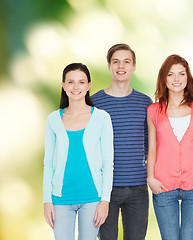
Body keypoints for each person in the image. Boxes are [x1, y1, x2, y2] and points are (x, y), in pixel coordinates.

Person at [43, 63, 114, 240]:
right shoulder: (53, 119)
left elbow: (108, 162)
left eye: (81, 82)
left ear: (88, 85)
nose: (76, 87)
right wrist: (47, 200)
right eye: (71, 82)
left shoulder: (102, 118)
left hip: (92, 197)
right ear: (63, 85)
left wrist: (105, 200)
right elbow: (48, 163)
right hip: (60, 198)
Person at [146, 54, 193, 240]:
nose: (176, 79)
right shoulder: (154, 110)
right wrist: (150, 178)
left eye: (181, 74)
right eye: (170, 74)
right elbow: (152, 148)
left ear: (188, 78)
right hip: (163, 185)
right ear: (163, 79)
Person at [91, 43, 152, 240]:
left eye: (126, 61)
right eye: (116, 61)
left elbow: (150, 145)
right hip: (104, 191)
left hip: (138, 188)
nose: (121, 66)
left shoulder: (145, 103)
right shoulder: (94, 103)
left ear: (134, 66)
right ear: (109, 66)